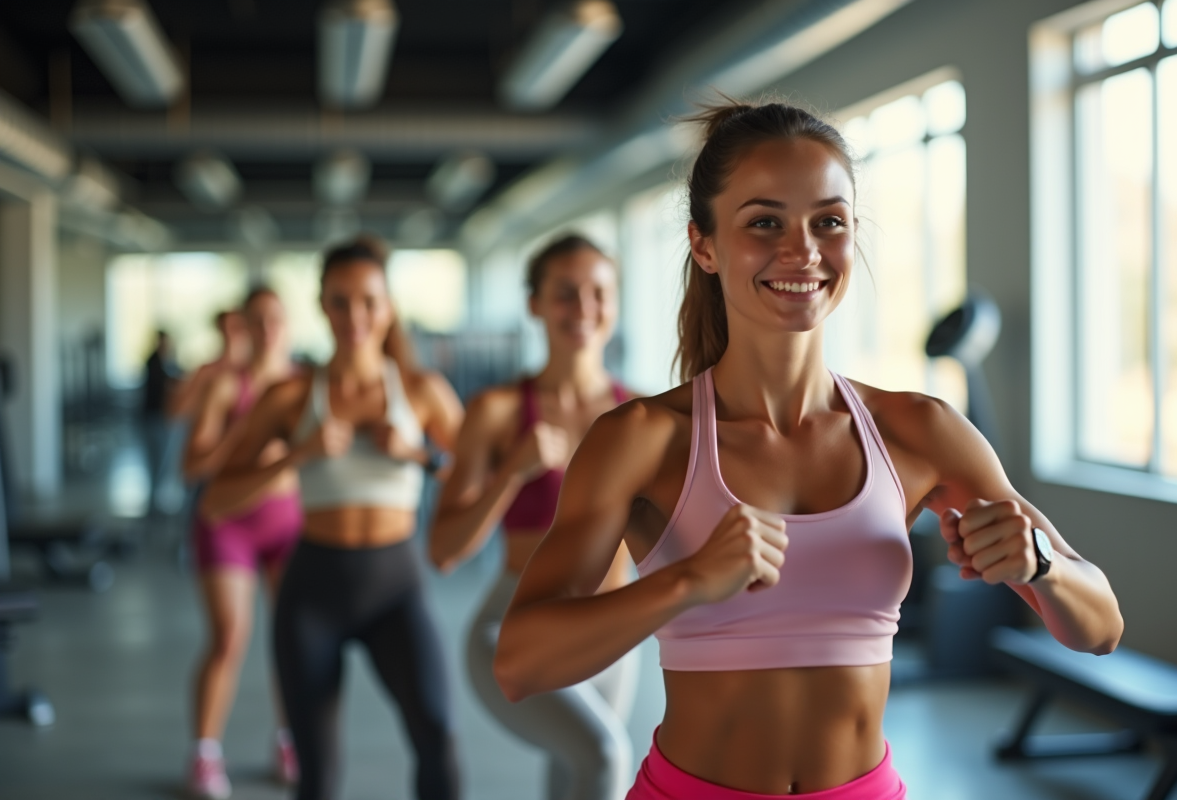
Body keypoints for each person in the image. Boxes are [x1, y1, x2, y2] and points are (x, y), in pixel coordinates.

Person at [494, 101, 1124, 800]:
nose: (803, 251)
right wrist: (686, 583)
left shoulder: (918, 431)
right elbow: (520, 664)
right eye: (765, 223)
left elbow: (1100, 629)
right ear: (704, 244)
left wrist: (1040, 566)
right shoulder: (642, 438)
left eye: (829, 222)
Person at [206, 236, 465, 800]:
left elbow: (470, 473)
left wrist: (419, 453)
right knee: (317, 774)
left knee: (437, 733)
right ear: (322, 306)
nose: (355, 316)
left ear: (388, 307)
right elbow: (216, 500)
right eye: (340, 301)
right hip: (313, 592)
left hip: (396, 586)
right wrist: (296, 456)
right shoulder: (291, 397)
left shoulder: (421, 391)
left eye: (369, 301)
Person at [430, 235, 640, 800]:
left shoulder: (642, 413)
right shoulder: (496, 412)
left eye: (599, 293)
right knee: (604, 755)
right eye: (565, 294)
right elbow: (443, 551)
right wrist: (510, 475)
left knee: (571, 778)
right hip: (517, 623)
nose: (584, 309)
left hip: (614, 630)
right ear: (535, 305)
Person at [183, 288, 303, 799]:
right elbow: (191, 466)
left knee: (293, 640)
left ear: (289, 324)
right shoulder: (225, 388)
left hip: (288, 521)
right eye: (257, 320)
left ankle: (288, 741)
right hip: (227, 521)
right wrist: (245, 431)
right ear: (243, 327)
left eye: (276, 318)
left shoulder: (305, 385)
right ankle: (205, 755)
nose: (268, 328)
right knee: (230, 636)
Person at [170, 310, 252, 422]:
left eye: (235, 327)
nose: (229, 333)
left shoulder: (252, 370)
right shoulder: (207, 371)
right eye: (225, 327)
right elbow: (178, 410)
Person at [142, 329, 181, 515]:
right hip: (154, 418)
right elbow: (163, 385)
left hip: (166, 419)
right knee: (155, 462)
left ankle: (160, 502)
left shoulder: (170, 362)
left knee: (165, 463)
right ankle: (153, 506)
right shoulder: (153, 362)